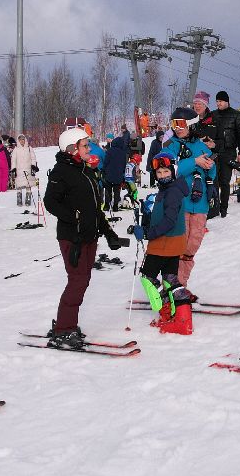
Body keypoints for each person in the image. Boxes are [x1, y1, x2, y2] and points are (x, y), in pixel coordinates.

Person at [42, 125, 131, 348]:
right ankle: (63, 329)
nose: (88, 148)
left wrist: (109, 233)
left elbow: (94, 208)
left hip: (90, 236)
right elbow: (51, 202)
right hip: (73, 238)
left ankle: (68, 324)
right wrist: (75, 217)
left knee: (83, 281)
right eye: (84, 145)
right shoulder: (61, 172)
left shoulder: (86, 170)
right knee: (77, 281)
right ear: (72, 149)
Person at [135, 153, 190, 311]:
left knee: (148, 277)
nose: (162, 176)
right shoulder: (170, 188)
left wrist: (147, 233)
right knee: (169, 278)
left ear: (173, 170)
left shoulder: (172, 192)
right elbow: (162, 215)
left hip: (165, 241)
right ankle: (181, 310)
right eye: (159, 173)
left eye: (166, 172)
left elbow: (169, 221)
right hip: (173, 241)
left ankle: (164, 307)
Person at [174, 112, 216, 287]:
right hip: (180, 202)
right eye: (174, 124)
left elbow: (211, 175)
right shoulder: (171, 145)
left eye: (181, 124)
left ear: (191, 125)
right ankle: (174, 286)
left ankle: (181, 284)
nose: (177, 128)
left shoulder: (203, 148)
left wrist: (210, 166)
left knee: (192, 246)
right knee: (177, 246)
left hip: (200, 204)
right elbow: (169, 169)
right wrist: (194, 162)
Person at [209, 93, 240, 218]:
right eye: (217, 101)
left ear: (227, 101)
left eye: (220, 101)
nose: (218, 103)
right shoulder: (213, 115)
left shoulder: (236, 115)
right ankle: (213, 207)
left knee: (225, 181)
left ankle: (223, 208)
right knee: (214, 180)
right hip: (214, 152)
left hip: (229, 152)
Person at [102, 127, 131, 212]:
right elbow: (124, 164)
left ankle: (107, 205)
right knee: (116, 191)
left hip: (109, 174)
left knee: (108, 190)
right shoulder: (123, 153)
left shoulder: (110, 151)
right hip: (118, 175)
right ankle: (115, 206)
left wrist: (104, 170)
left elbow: (106, 161)